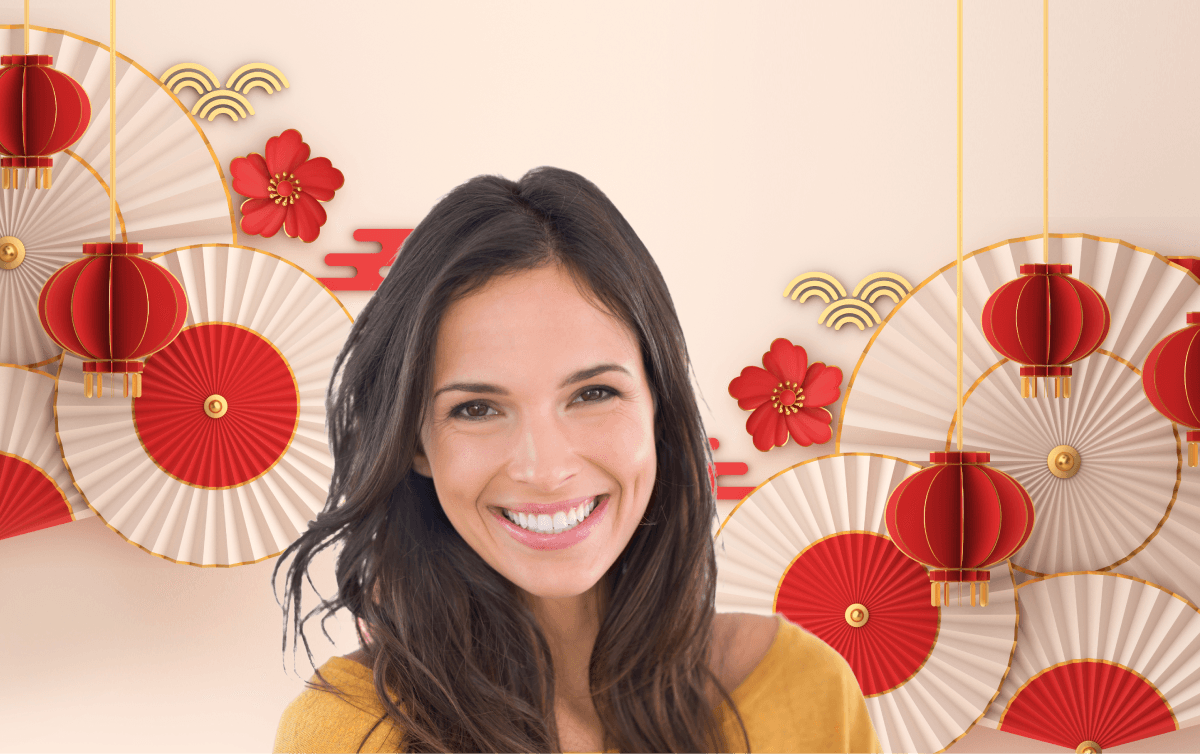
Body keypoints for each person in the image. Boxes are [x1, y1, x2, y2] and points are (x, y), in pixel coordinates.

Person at [271, 167, 880, 754]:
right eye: (477, 408)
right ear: (414, 443)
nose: (545, 468)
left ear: (658, 408)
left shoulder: (806, 691)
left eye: (592, 394)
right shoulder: (348, 734)